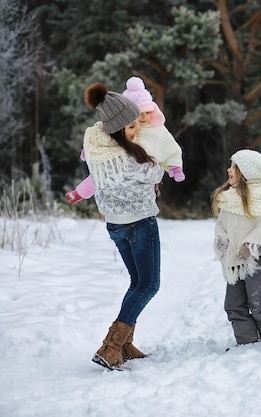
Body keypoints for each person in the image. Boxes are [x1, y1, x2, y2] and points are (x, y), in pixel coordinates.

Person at [82, 82, 165, 370]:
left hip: (115, 227)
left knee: (137, 282)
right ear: (116, 129)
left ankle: (126, 344)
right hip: (140, 225)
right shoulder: (127, 159)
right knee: (149, 284)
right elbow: (155, 171)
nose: (137, 130)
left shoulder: (96, 148)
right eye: (131, 127)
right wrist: (154, 163)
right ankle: (111, 346)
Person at [211, 149, 261, 351]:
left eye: (234, 167)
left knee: (257, 300)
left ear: (247, 172)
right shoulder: (229, 197)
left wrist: (250, 244)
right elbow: (222, 223)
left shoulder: (260, 196)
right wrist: (221, 238)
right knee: (233, 304)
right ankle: (247, 341)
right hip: (235, 262)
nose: (229, 170)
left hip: (255, 259)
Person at [65, 76, 184, 205]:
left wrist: (175, 167)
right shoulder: (120, 129)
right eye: (139, 113)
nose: (143, 117)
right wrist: (89, 151)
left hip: (145, 171)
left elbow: (169, 146)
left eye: (148, 112)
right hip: (119, 167)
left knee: (143, 184)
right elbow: (102, 140)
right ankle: (80, 193)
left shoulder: (157, 130)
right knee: (100, 175)